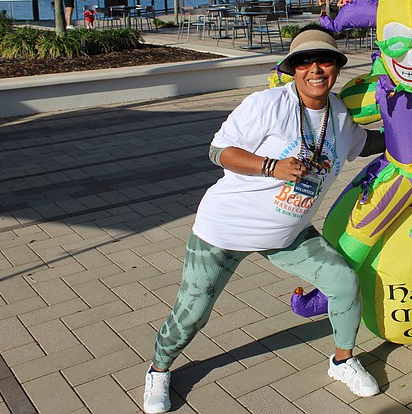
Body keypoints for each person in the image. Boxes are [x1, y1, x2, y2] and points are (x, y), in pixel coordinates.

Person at [142, 29, 384, 413]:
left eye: (324, 60)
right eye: (304, 62)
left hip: (288, 235)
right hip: (224, 230)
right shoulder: (267, 104)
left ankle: (342, 361)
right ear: (292, 70)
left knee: (343, 282)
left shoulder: (339, 113)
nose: (315, 69)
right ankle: (159, 370)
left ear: (337, 66)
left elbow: (369, 143)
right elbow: (217, 151)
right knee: (193, 312)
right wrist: (270, 166)